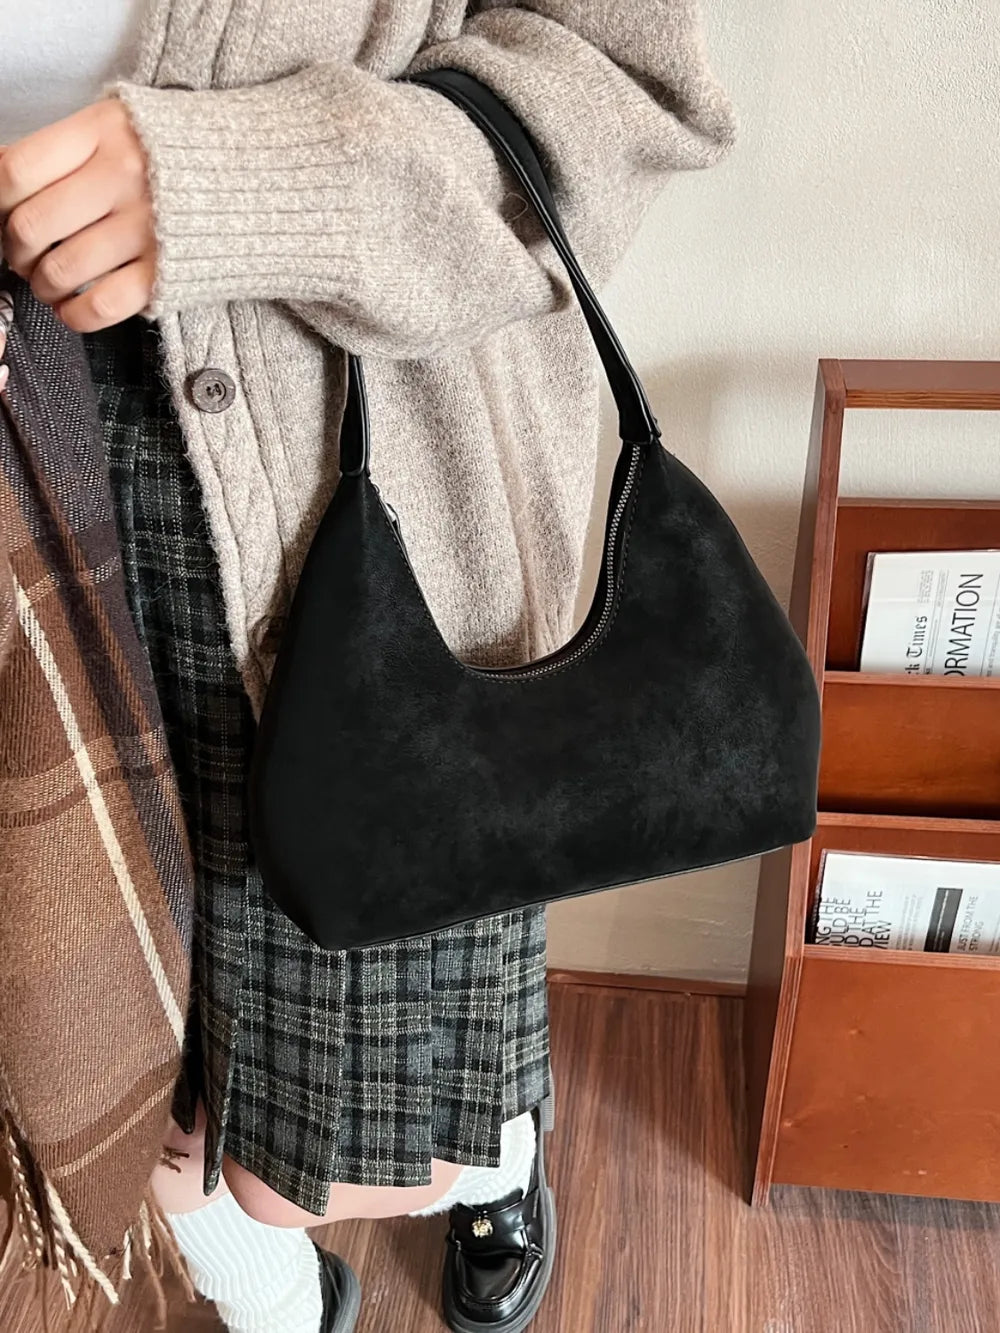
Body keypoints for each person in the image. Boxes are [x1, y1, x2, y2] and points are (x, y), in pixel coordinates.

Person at [0, 3, 736, 1330]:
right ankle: (276, 1303)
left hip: (353, 457)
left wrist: (261, 184)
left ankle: (494, 1165)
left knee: (409, 1027)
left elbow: (627, 88)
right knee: (117, 1039)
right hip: (23, 468)